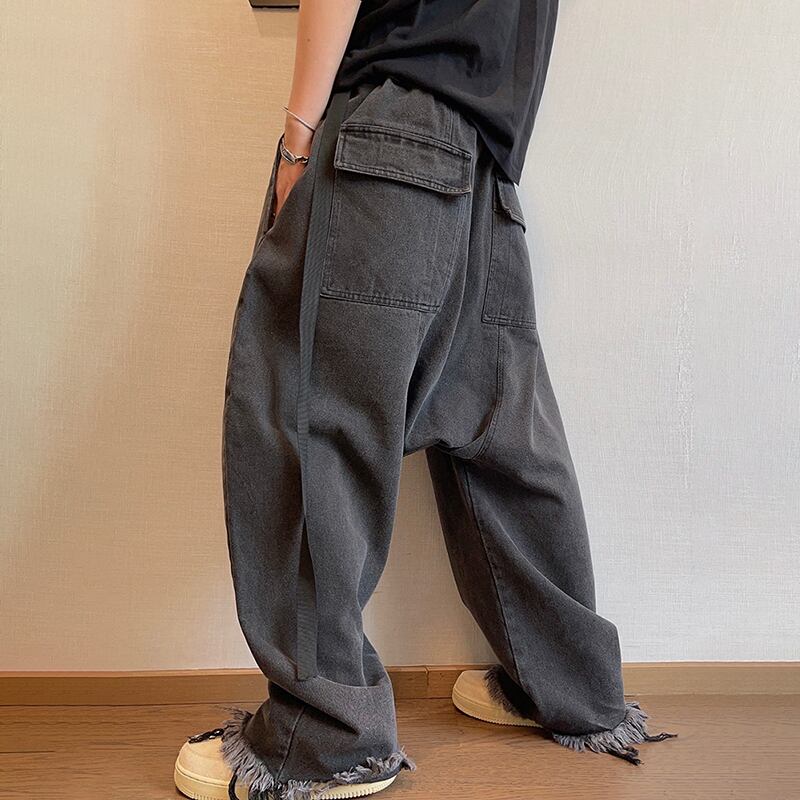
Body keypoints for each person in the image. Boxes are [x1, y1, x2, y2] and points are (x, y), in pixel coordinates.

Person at [173, 1, 676, 798]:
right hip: (487, 170)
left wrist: (296, 140)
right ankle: (573, 690)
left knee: (313, 428)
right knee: (502, 433)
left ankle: (326, 736)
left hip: (387, 136)